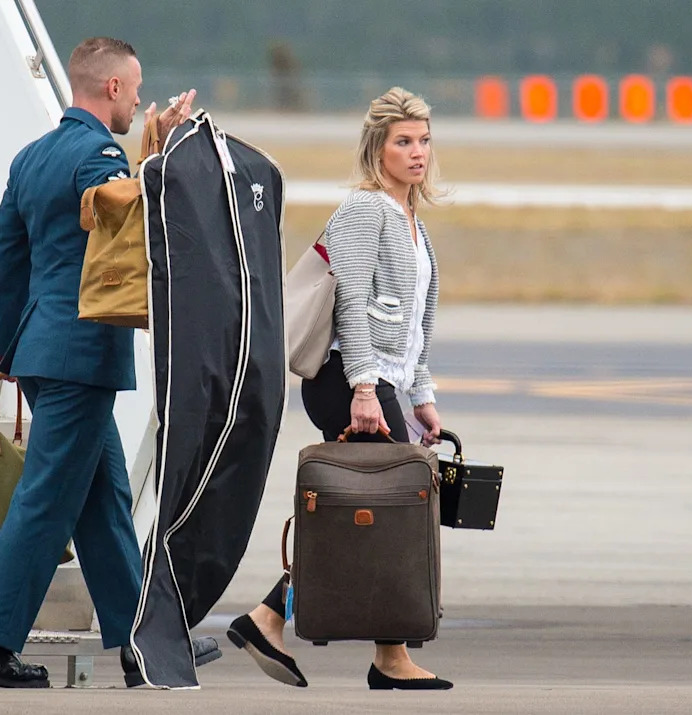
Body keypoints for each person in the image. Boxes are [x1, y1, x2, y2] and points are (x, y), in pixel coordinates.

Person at [0, 37, 216, 689]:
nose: (137, 99)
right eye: (137, 85)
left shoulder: (33, 156)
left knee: (103, 497)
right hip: (79, 355)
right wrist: (162, 153)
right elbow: (127, 221)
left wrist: (3, 345)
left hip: (41, 350)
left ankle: (140, 641)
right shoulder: (98, 153)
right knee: (47, 499)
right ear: (115, 89)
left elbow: (6, 254)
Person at [228, 87, 452, 691]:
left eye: (424, 140)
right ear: (377, 148)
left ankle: (277, 620)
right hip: (345, 380)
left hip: (380, 384)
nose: (417, 152)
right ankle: (374, 650)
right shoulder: (364, 210)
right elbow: (351, 303)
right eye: (403, 141)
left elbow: (409, 325)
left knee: (382, 515)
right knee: (387, 511)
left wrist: (420, 395)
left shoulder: (410, 219)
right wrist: (362, 390)